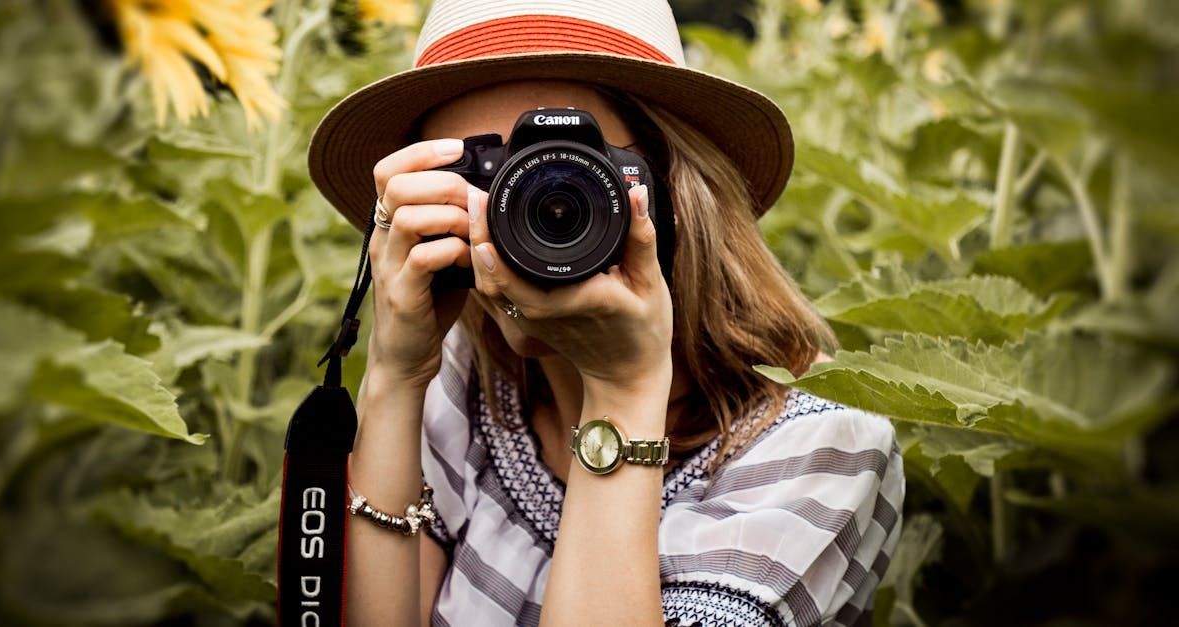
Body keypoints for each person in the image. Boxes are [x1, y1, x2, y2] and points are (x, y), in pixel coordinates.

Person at [305, 2, 905, 626]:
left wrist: (623, 388)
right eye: (487, 175)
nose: (527, 213)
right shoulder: (464, 375)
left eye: (571, 165)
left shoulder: (824, 443)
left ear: (676, 192)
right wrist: (394, 375)